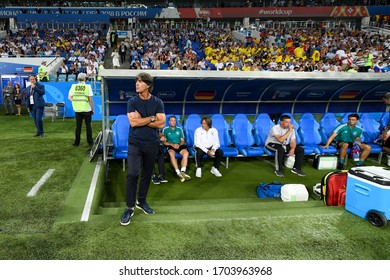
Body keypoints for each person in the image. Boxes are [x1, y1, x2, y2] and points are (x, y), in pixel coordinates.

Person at [120, 72, 166, 226]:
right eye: (136, 82)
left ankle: (141, 201)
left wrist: (144, 119)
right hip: (135, 143)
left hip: (152, 143)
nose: (137, 84)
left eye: (140, 82)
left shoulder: (158, 102)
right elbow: (133, 123)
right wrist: (152, 117)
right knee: (133, 173)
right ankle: (129, 207)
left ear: (148, 85)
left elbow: (161, 124)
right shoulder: (132, 102)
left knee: (147, 174)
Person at [68, 73, 94, 148]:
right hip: (86, 109)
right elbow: (90, 100)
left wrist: (75, 101)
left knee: (78, 126)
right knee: (88, 126)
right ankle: (90, 142)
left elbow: (69, 97)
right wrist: (92, 108)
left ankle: (77, 142)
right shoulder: (87, 87)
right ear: (85, 79)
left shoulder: (73, 86)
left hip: (77, 109)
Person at [162, 115, 191, 182]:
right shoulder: (165, 129)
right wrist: (172, 144)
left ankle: (183, 172)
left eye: (175, 120)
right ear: (169, 122)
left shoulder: (179, 129)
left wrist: (179, 144)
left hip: (179, 145)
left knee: (186, 153)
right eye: (172, 121)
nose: (173, 122)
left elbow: (183, 141)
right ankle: (178, 172)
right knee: (171, 153)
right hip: (170, 145)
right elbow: (164, 142)